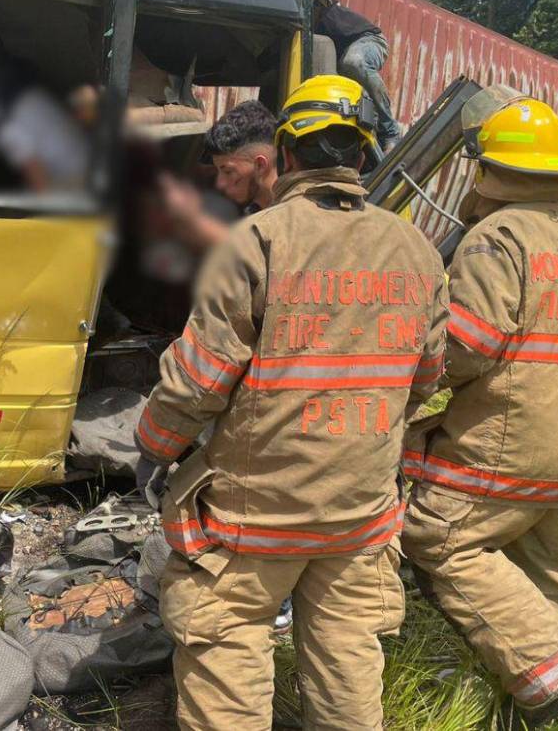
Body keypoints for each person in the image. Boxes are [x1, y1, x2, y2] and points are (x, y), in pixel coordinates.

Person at [134, 75, 448, 729]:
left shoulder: (257, 240)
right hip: (361, 510)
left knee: (225, 639)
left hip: (258, 513)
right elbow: (426, 377)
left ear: (287, 154)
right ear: (362, 157)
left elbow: (199, 378)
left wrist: (156, 448)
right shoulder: (416, 249)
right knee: (347, 657)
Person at [399, 95, 558, 729]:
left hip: (506, 448)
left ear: (486, 168)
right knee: (556, 572)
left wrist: (406, 383)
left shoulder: (498, 237)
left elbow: (466, 346)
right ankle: (557, 715)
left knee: (438, 539)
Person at [159, 99, 279, 250]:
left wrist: (192, 220)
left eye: (228, 171)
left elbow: (249, 254)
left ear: (260, 165)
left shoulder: (294, 219)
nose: (220, 183)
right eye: (218, 171)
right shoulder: (252, 211)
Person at [315, 0, 401, 150]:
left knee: (354, 62)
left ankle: (390, 132)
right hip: (343, 57)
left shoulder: (325, 8)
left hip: (369, 40)